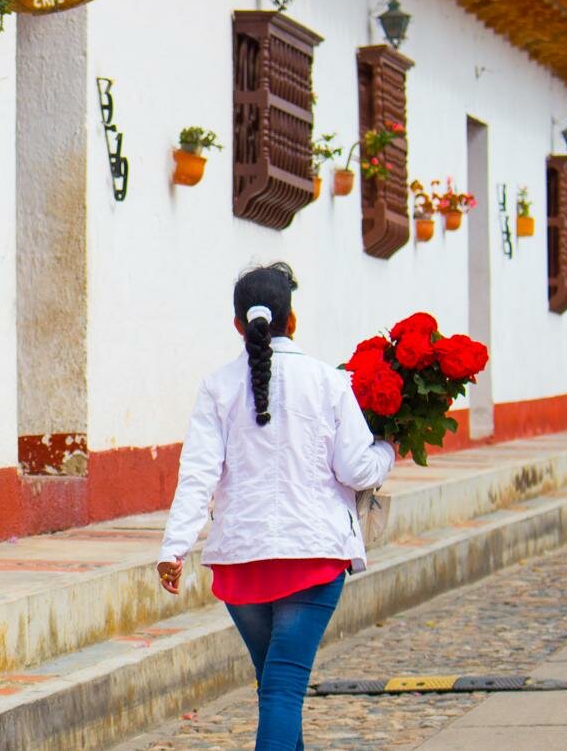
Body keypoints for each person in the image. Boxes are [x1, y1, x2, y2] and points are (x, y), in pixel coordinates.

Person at [156, 263, 395, 751]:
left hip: (241, 564)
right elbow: (355, 469)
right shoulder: (329, 382)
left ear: (238, 324)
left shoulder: (217, 386)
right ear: (294, 319)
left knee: (274, 690)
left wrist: (173, 548)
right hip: (312, 556)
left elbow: (198, 472)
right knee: (283, 692)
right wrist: (387, 450)